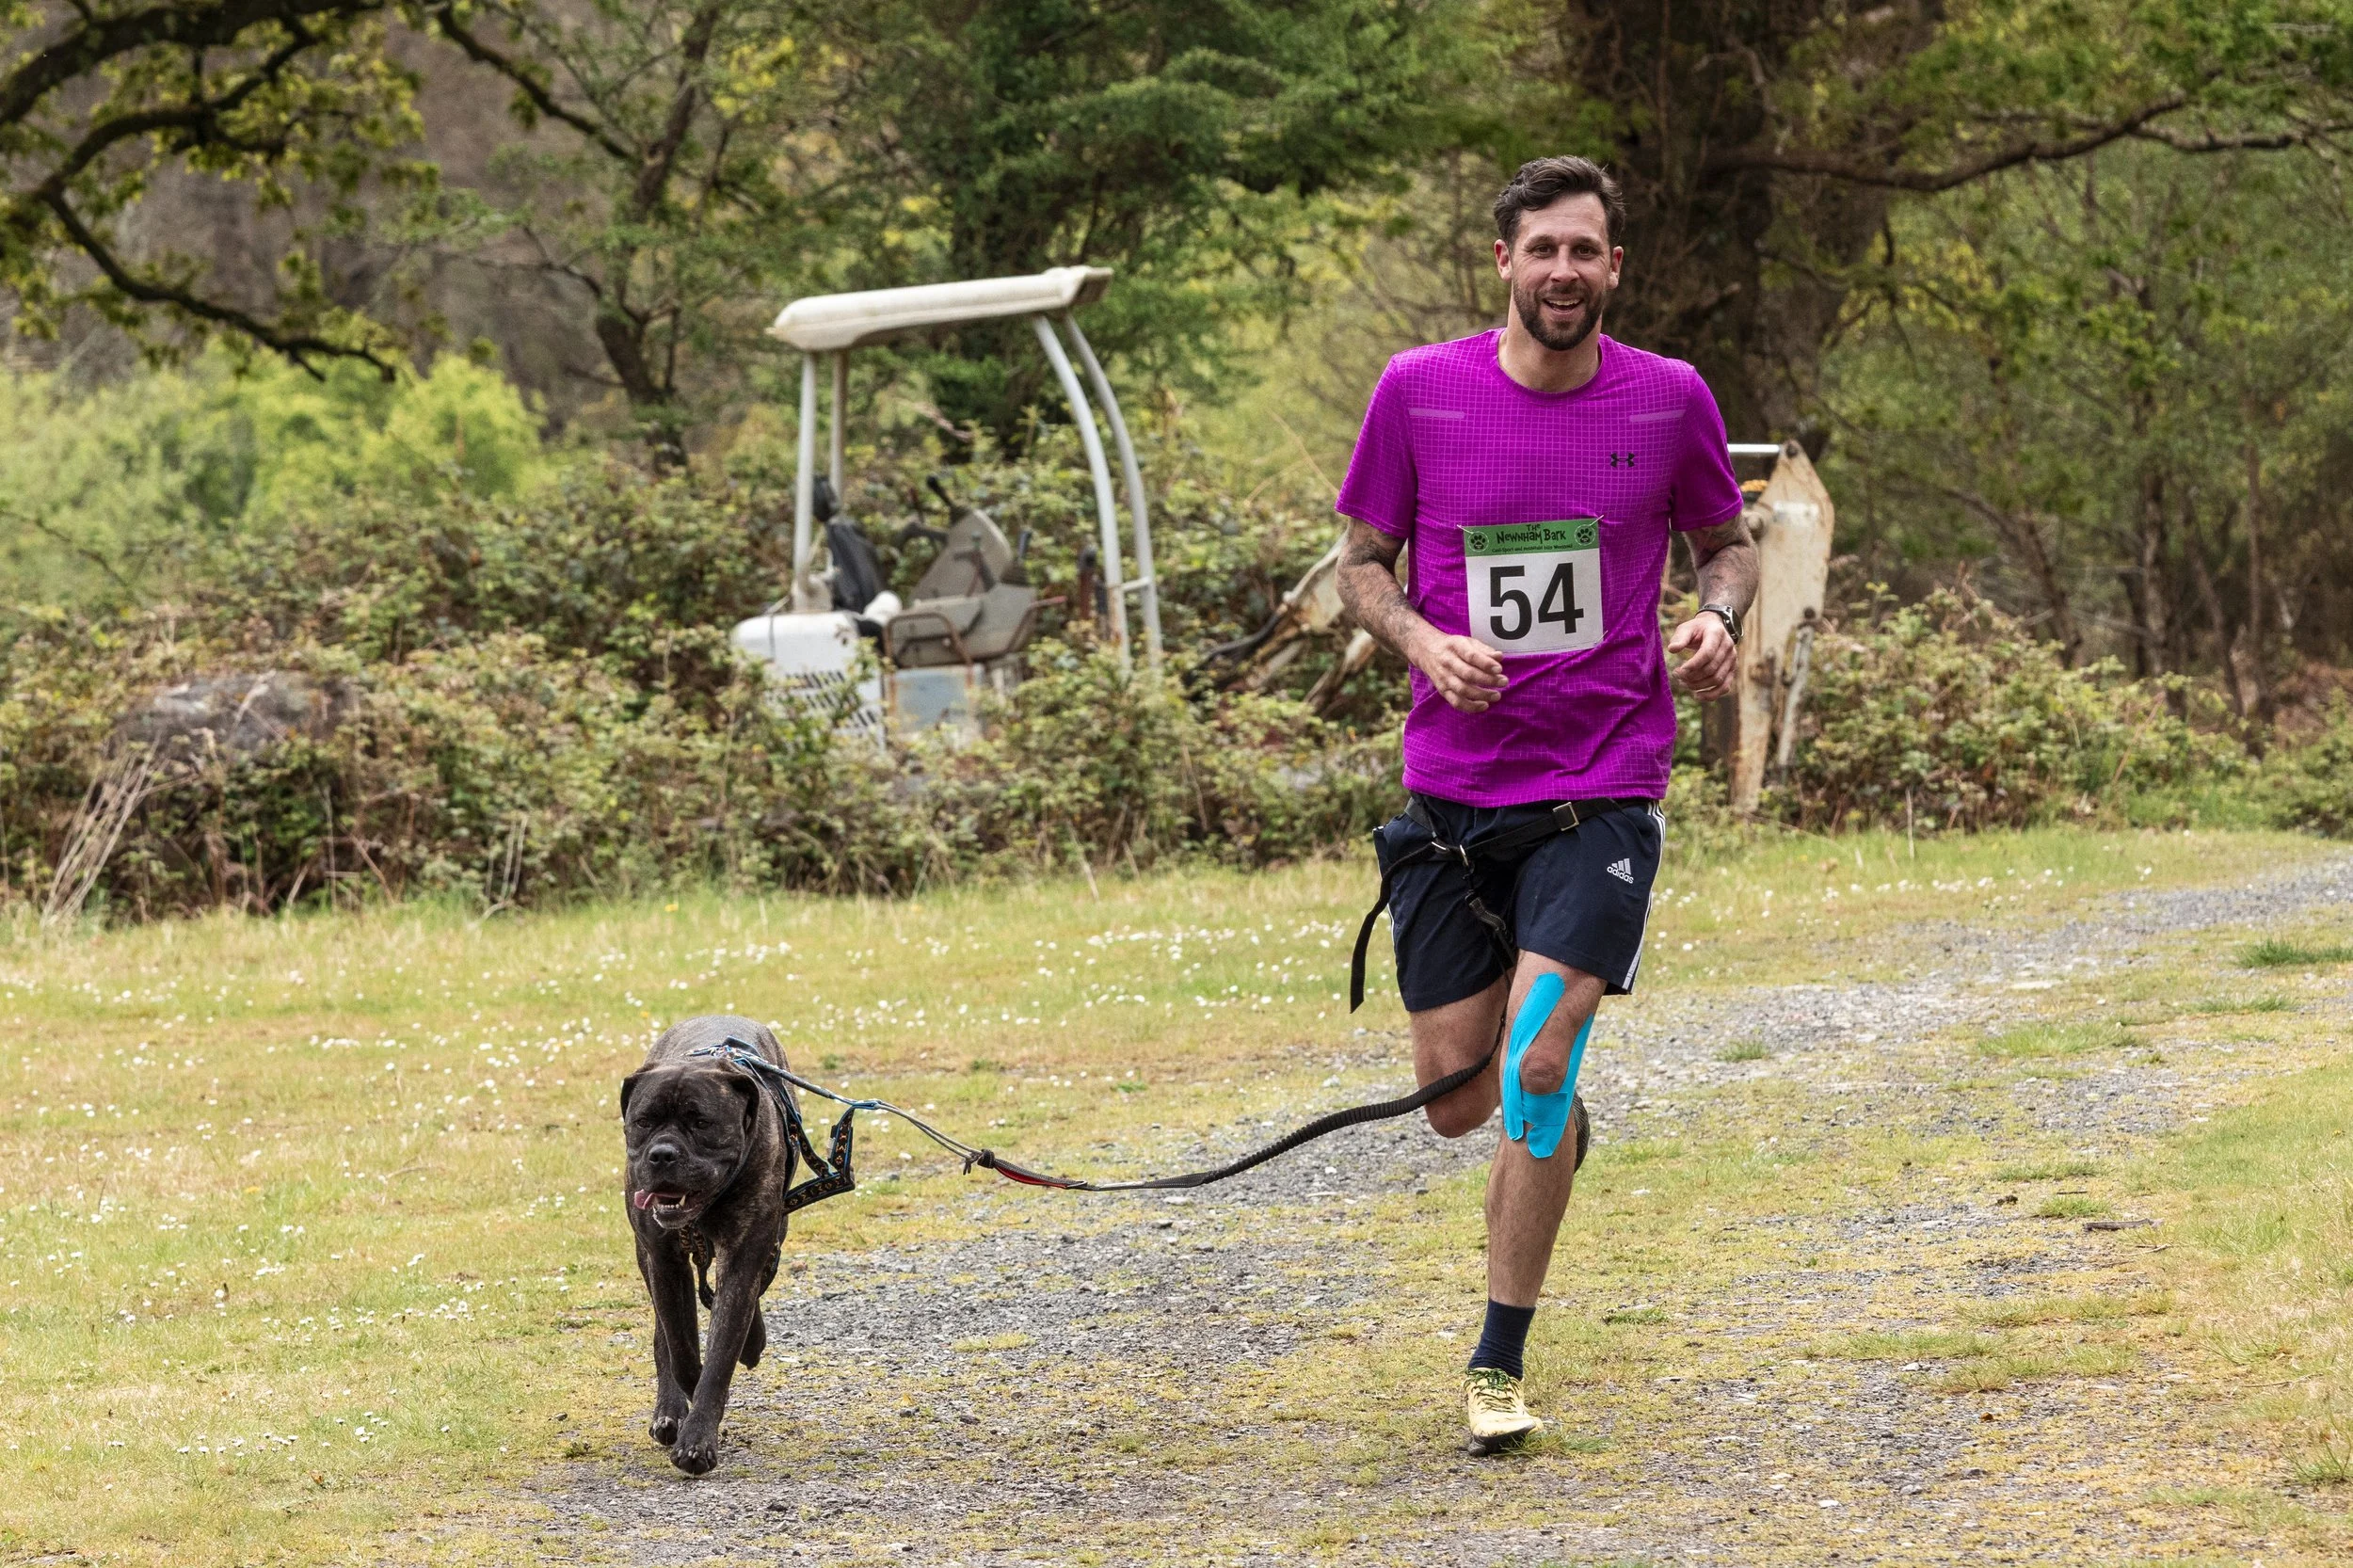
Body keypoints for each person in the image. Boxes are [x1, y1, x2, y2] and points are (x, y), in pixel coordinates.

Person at [1333, 154, 1758, 1453]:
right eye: (1543, 250)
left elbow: (1727, 543)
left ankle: (1496, 1361)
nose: (1564, 271)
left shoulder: (1670, 397)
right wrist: (1420, 641)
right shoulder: (1420, 393)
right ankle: (1551, 1119)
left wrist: (1717, 615)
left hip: (1603, 790)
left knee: (1532, 1054)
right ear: (1503, 264)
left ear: (1614, 267)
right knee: (1463, 1097)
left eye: (1587, 250)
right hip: (1453, 801)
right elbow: (1360, 565)